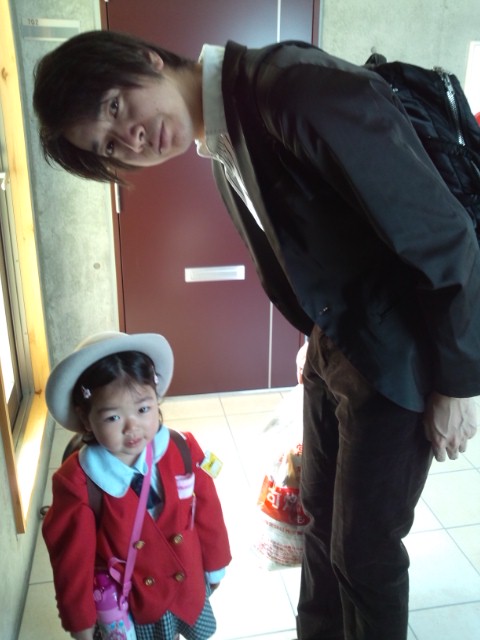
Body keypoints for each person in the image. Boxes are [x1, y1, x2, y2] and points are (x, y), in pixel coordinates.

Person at [33, 31, 480, 640]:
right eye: (110, 145)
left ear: (146, 59)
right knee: (316, 524)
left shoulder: (290, 88)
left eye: (116, 106)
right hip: (337, 347)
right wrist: (316, 337)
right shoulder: (224, 140)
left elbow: (442, 232)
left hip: (397, 358)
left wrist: (458, 383)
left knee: (365, 554)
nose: (132, 139)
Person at [42, 330, 231, 640]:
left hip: (187, 583)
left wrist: (215, 564)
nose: (132, 427)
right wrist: (81, 622)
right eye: (113, 418)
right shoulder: (77, 482)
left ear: (156, 401)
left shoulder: (183, 448)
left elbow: (208, 511)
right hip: (135, 602)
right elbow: (72, 562)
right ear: (86, 419)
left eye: (143, 409)